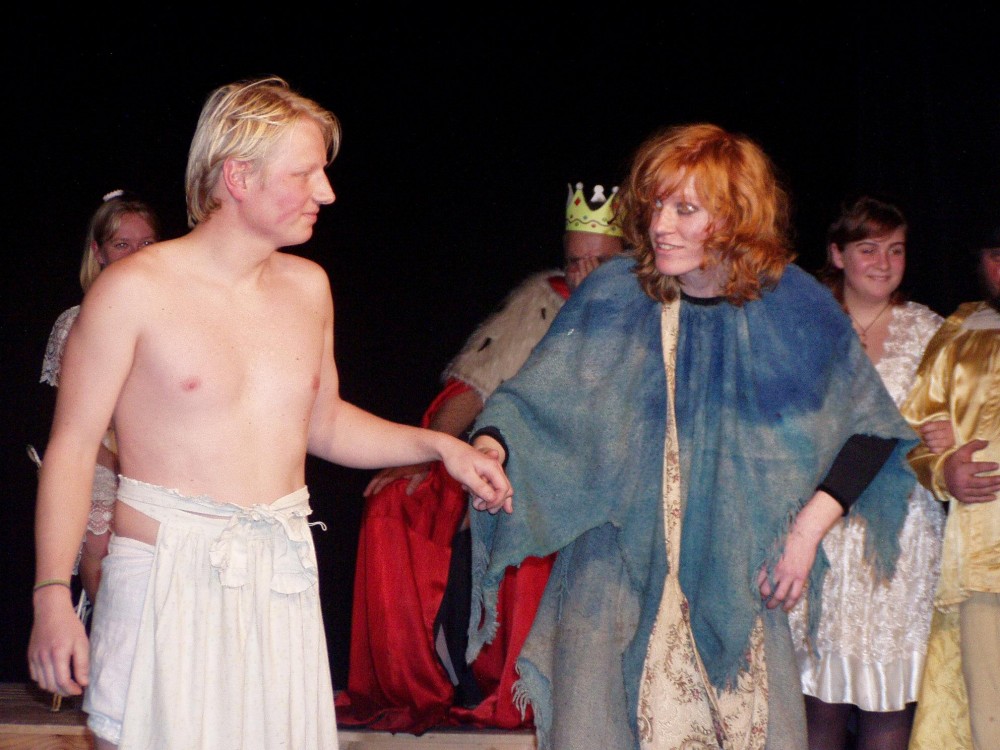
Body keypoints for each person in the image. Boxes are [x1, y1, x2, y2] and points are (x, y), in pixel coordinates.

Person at [26, 76, 511, 750]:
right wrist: (52, 593)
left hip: (279, 576)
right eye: (304, 173)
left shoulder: (309, 287)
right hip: (164, 576)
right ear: (238, 176)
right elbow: (74, 449)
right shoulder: (131, 291)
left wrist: (442, 448)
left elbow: (324, 423)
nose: (326, 192)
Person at [467, 123, 921, 750]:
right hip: (618, 567)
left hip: (737, 574)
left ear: (733, 218)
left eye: (685, 209)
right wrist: (492, 446)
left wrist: (804, 534)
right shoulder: (614, 294)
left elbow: (870, 428)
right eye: (656, 204)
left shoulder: (792, 304)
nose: (660, 225)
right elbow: (531, 400)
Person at [335, 182, 625, 734]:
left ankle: (526, 684)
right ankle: (419, 679)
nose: (583, 275)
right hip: (510, 459)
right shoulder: (542, 300)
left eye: (599, 263)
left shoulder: (644, 314)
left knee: (529, 512)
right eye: (575, 261)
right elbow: (476, 389)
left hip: (599, 481)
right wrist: (426, 454)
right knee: (397, 503)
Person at [786, 196, 945, 750]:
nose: (883, 263)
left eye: (895, 250)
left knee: (887, 701)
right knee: (818, 700)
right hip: (818, 531)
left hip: (899, 539)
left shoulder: (930, 330)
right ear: (838, 254)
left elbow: (955, 415)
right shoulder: (805, 324)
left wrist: (942, 435)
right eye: (868, 249)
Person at [34, 190, 161, 605]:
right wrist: (121, 470)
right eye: (122, 244)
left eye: (146, 243)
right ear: (99, 253)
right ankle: (107, 626)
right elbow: (78, 427)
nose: (136, 254)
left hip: (162, 458)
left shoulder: (178, 318)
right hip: (102, 455)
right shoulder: (78, 322)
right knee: (102, 530)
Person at [902, 226, 1000, 750]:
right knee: (990, 722)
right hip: (984, 561)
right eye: (997, 255)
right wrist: (944, 471)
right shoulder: (962, 331)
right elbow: (915, 433)